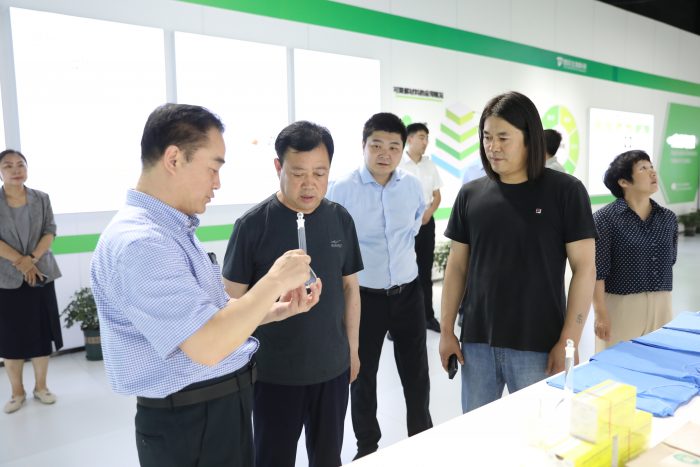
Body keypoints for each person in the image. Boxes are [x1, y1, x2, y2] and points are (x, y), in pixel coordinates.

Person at [90, 104, 321, 467]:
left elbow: (210, 315)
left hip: (214, 411)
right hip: (191, 423)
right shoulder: (142, 244)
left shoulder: (172, 231)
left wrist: (273, 310)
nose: (217, 183)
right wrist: (275, 279)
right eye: (213, 168)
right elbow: (207, 344)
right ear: (173, 159)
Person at [438, 91, 597, 413]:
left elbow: (585, 268)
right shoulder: (471, 195)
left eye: (503, 138)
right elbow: (456, 268)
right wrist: (446, 331)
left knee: (540, 433)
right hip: (477, 344)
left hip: (539, 345)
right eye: (486, 137)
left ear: (529, 139)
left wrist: (569, 339)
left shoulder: (565, 192)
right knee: (478, 433)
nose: (492, 147)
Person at [222, 121, 363, 467]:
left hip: (331, 370)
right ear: (278, 167)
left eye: (320, 173)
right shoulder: (253, 226)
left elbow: (350, 288)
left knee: (328, 458)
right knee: (273, 458)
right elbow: (229, 306)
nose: (309, 183)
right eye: (298, 173)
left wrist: (353, 351)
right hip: (273, 375)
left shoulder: (340, 219)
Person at [327, 112, 432, 459]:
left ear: (402, 149)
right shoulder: (342, 189)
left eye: (393, 147)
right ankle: (367, 445)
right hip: (364, 298)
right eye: (376, 145)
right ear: (363, 146)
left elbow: (414, 226)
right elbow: (336, 243)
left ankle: (422, 436)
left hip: (408, 293)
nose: (385, 154)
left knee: (416, 372)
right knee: (362, 372)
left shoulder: (412, 186)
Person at [592, 150, 677, 351]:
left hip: (662, 302)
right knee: (617, 364)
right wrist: (600, 313)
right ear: (624, 182)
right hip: (622, 305)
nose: (652, 172)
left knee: (659, 361)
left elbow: (671, 259)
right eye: (643, 168)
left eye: (651, 167)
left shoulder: (668, 218)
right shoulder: (605, 219)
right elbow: (597, 272)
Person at [0, 149, 63, 414]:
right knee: (9, 338)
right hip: (6, 278)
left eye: (21, 164)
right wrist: (21, 262)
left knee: (41, 333)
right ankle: (17, 393)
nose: (16, 170)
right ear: (0, 172)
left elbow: (50, 231)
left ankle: (41, 387)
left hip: (41, 273)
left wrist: (32, 259)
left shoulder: (41, 198)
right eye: (8, 165)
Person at [400, 123, 443, 332]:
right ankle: (398, 323)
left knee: (425, 272)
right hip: (403, 225)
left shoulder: (429, 165)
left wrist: (429, 213)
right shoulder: (399, 164)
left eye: (426, 137)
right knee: (401, 273)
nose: (425, 142)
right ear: (409, 139)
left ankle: (428, 317)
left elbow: (437, 196)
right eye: (421, 137)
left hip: (426, 223)